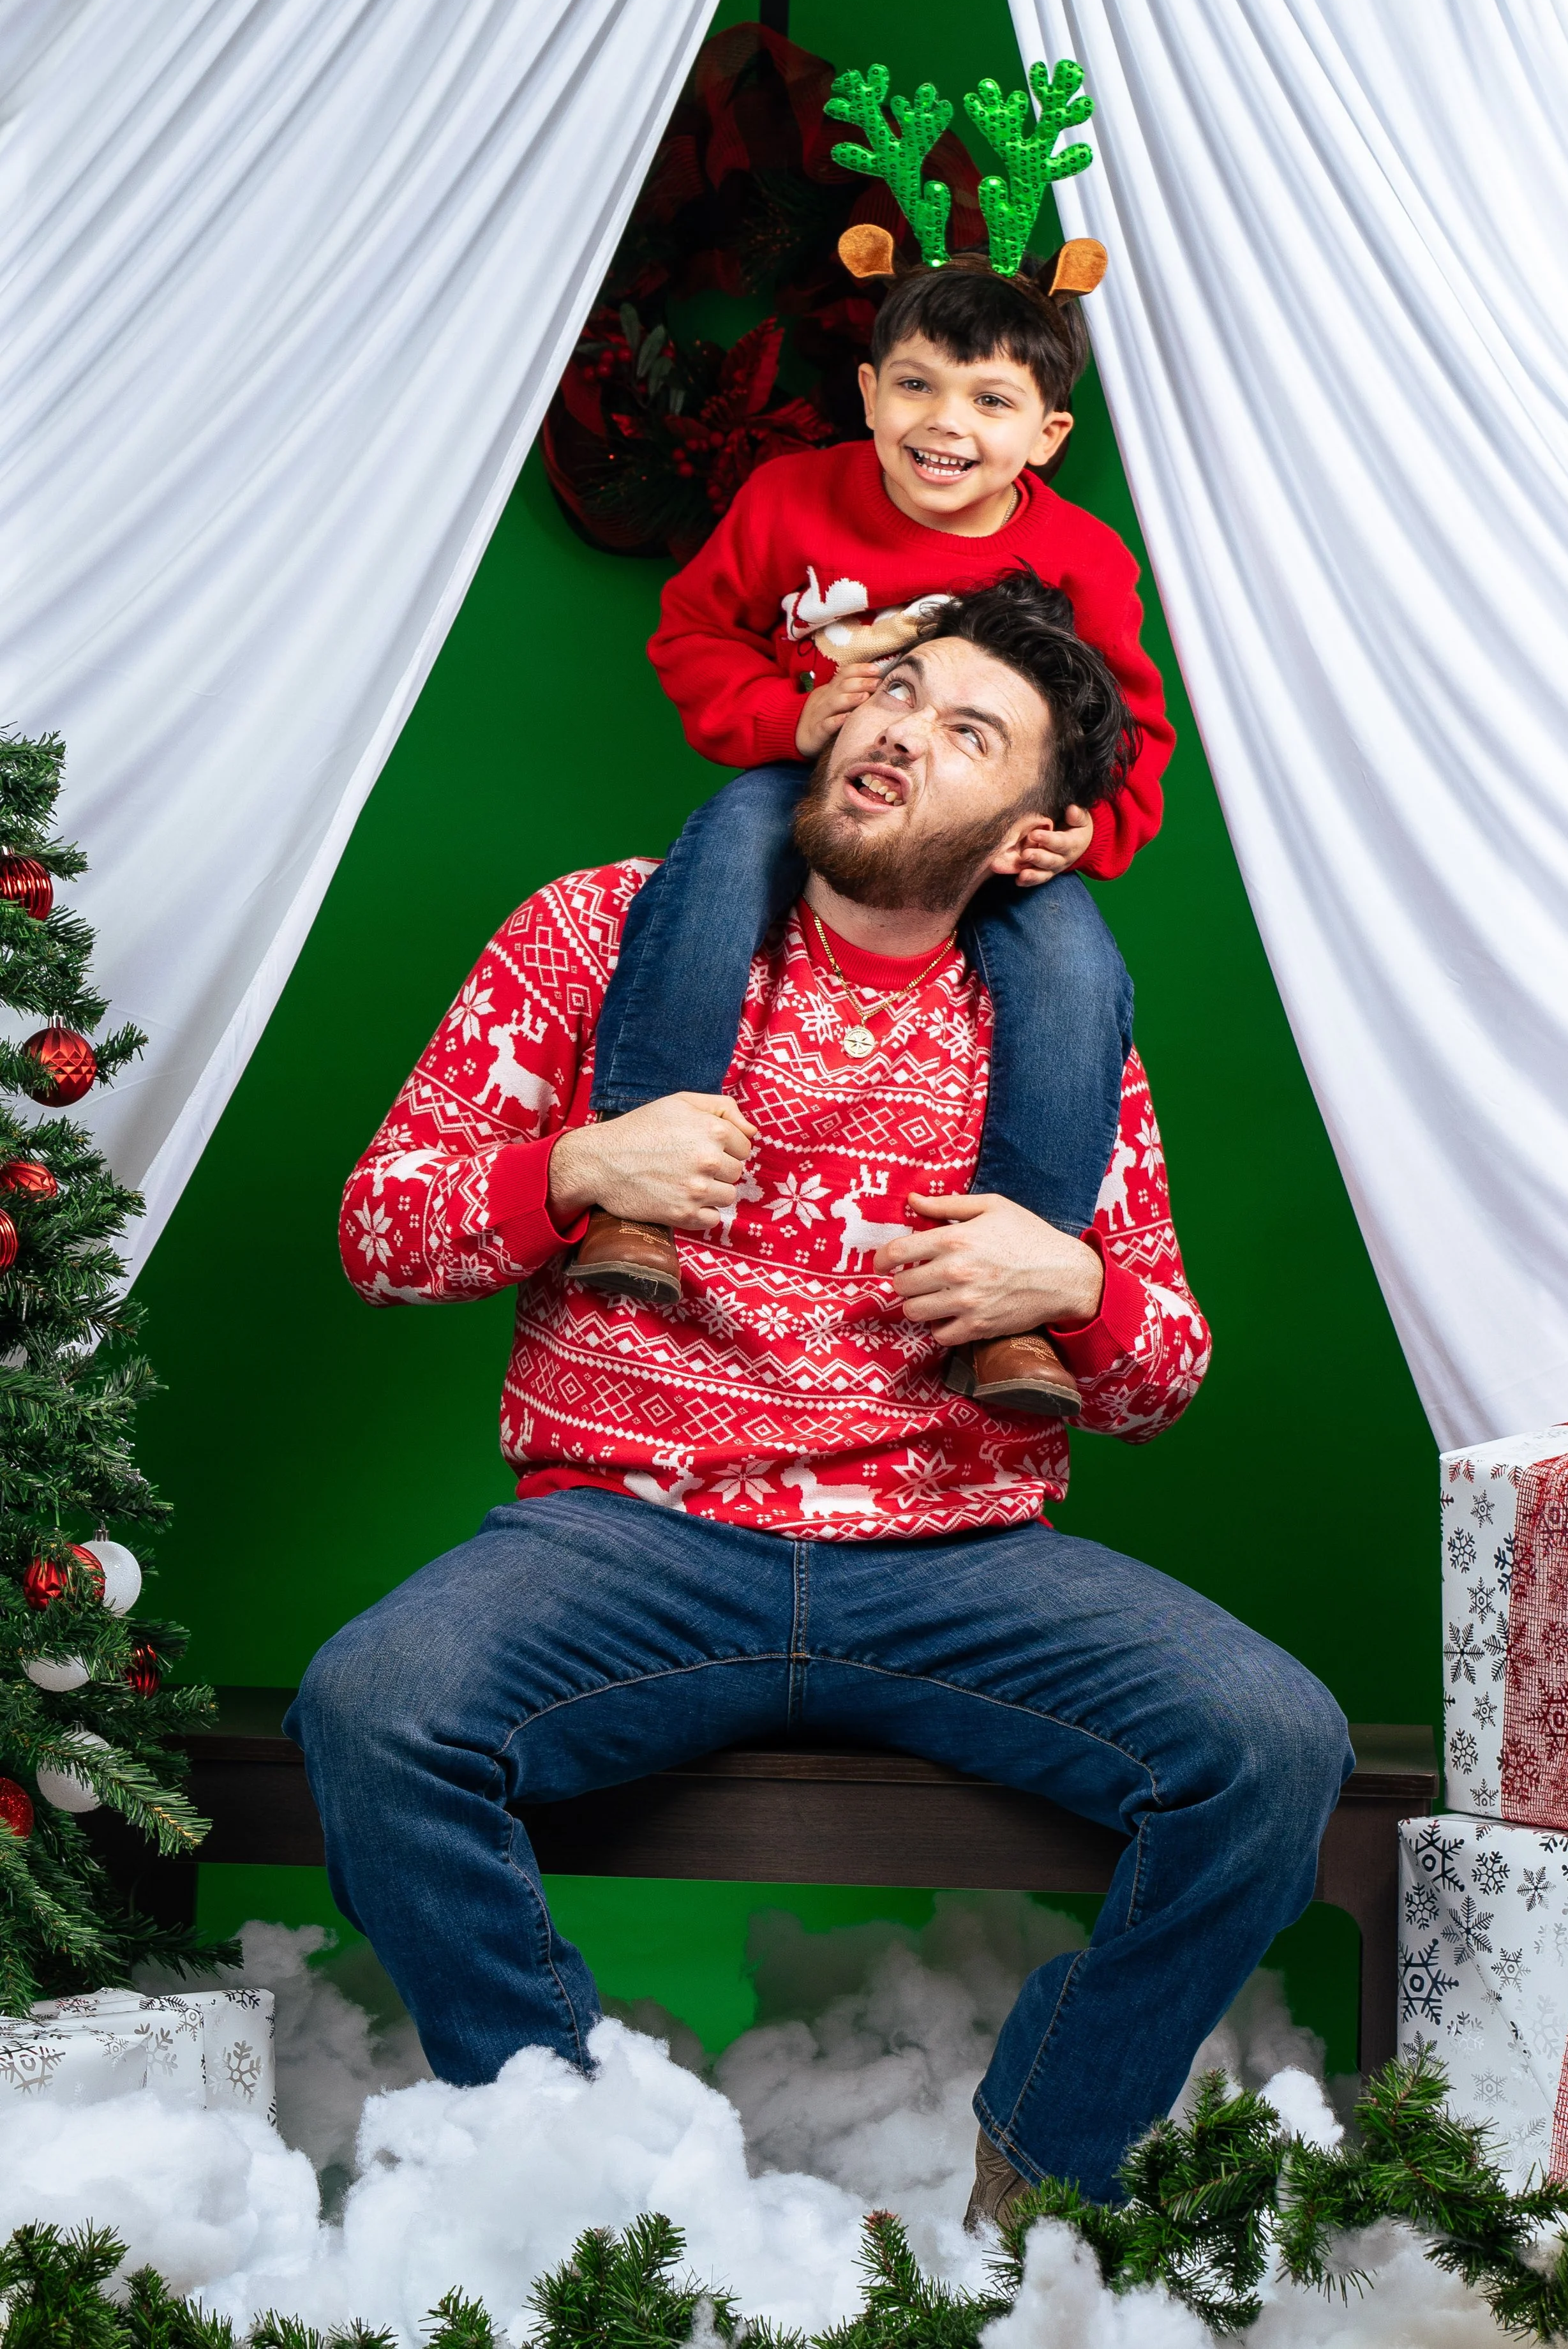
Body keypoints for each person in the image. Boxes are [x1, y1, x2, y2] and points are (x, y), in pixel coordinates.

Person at [292, 578, 1349, 2226]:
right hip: (632, 1533)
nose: (898, 734)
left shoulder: (1056, 1033)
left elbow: (1164, 1374)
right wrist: (572, 1167)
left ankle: (1038, 2167)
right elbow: (381, 1226)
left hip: (954, 1555)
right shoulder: (596, 930)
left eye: (964, 733)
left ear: (1030, 838)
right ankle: (578, 2171)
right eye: (897, 692)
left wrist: (1075, 1287)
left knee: (1274, 1739)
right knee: (374, 1703)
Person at [570, 257, 1175, 1429]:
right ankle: (641, 1172)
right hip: (811, 779)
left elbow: (1135, 724)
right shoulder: (791, 499)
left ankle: (1016, 1294)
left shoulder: (1084, 559)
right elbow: (694, 630)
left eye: (989, 401)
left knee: (1074, 965)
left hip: (987, 824)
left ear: (1047, 435)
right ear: (867, 391)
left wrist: (1086, 827)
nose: (944, 424)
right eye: (916, 386)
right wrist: (782, 719)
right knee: (721, 857)